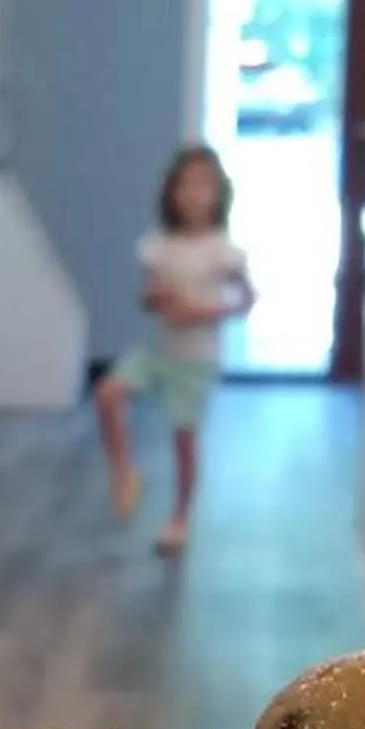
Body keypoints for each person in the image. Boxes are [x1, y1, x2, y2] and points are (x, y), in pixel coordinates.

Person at [94, 146, 252, 557]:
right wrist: (159, 296)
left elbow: (246, 300)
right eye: (187, 185)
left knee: (184, 440)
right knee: (108, 393)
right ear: (172, 192)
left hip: (196, 361)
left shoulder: (222, 250)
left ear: (219, 194)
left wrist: (203, 309)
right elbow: (147, 297)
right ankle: (124, 473)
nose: (195, 195)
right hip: (157, 351)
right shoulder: (158, 245)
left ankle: (180, 517)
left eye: (205, 186)